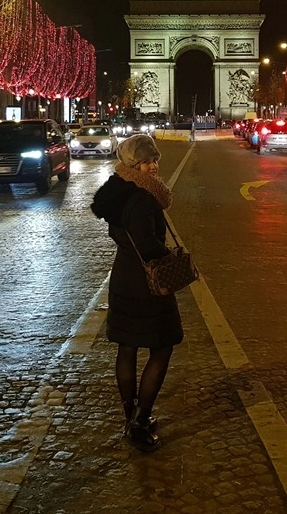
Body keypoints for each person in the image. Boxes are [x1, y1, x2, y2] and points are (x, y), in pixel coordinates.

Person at [90, 134, 181, 452]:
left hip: (124, 279)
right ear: (133, 164)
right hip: (146, 285)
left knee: (127, 348)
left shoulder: (118, 194)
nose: (154, 166)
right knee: (163, 346)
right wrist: (171, 258)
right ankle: (139, 421)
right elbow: (147, 244)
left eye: (155, 160)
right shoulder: (143, 198)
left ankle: (132, 416)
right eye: (147, 161)